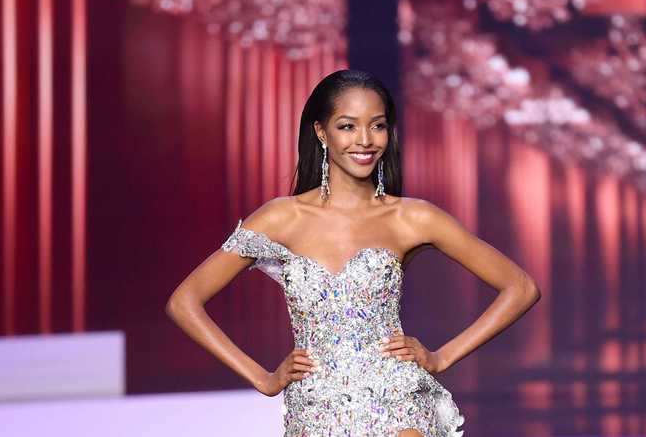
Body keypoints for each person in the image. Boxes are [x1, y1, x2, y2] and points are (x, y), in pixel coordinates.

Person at [166, 69, 541, 436]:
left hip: (397, 399)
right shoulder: (281, 218)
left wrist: (441, 357)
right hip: (314, 408)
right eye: (347, 126)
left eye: (377, 126)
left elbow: (520, 287)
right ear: (321, 132)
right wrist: (263, 378)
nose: (364, 140)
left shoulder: (412, 217)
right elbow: (185, 302)